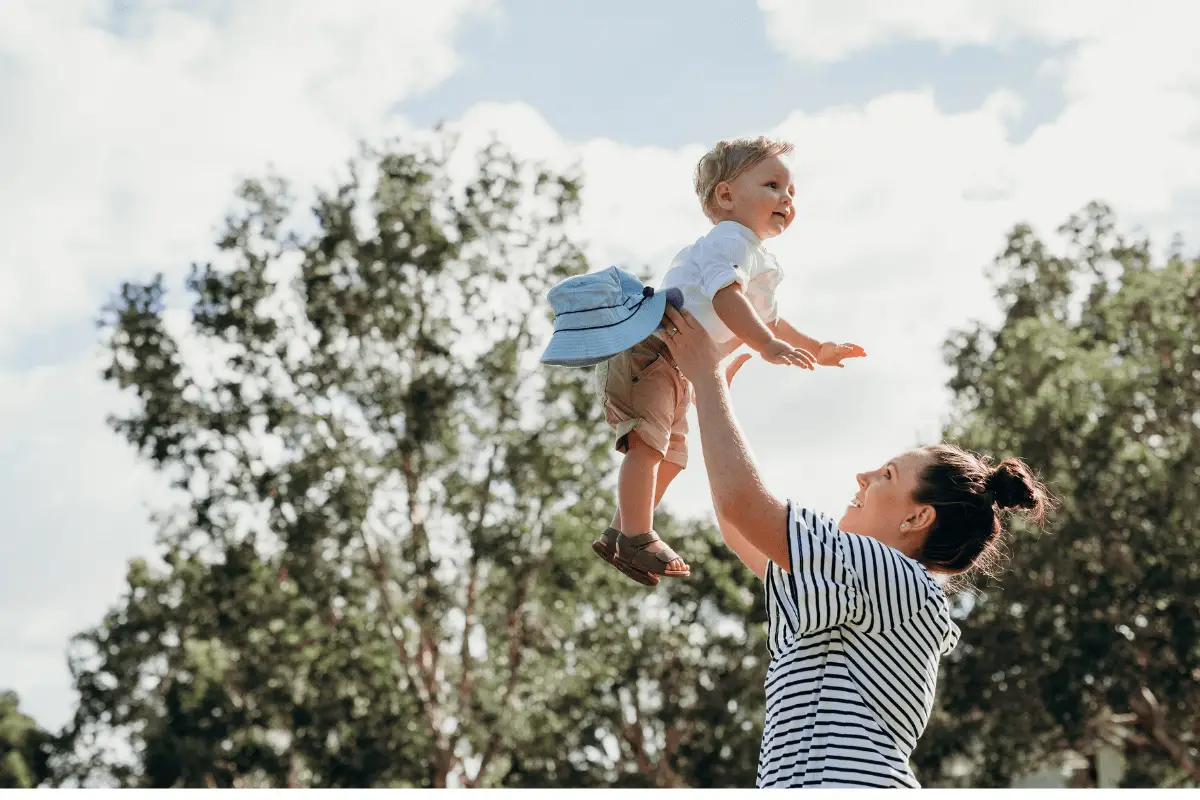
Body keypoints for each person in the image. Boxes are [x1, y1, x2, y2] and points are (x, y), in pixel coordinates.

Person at [658, 304, 1052, 788]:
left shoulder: (894, 576)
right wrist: (706, 396)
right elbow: (739, 528)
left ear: (916, 517)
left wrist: (708, 375)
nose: (862, 477)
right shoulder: (865, 584)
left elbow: (745, 506)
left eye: (886, 474)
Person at [553, 136, 866, 587]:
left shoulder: (756, 255)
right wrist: (764, 345)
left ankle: (622, 530)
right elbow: (726, 301)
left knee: (674, 456)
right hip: (653, 350)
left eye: (792, 192)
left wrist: (818, 348)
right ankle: (638, 534)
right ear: (726, 195)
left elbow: (771, 320)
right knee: (648, 445)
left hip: (679, 364)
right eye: (773, 185)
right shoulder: (730, 241)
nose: (787, 198)